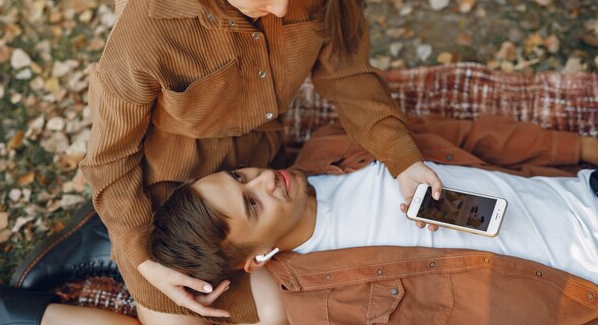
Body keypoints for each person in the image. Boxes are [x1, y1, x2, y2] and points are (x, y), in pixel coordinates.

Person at [79, 0, 443, 323]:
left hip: (261, 167)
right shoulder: (146, 31)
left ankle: (100, 237)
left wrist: (402, 158)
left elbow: (348, 72)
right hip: (171, 186)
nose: (284, 10)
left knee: (302, 298)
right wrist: (135, 249)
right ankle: (96, 239)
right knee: (183, 307)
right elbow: (109, 156)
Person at [150, 116, 598, 324]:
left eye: (240, 175)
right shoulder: (323, 306)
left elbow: (468, 136)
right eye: (252, 205)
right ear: (257, 256)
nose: (266, 179)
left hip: (584, 189)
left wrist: (583, 149)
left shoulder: (336, 145)